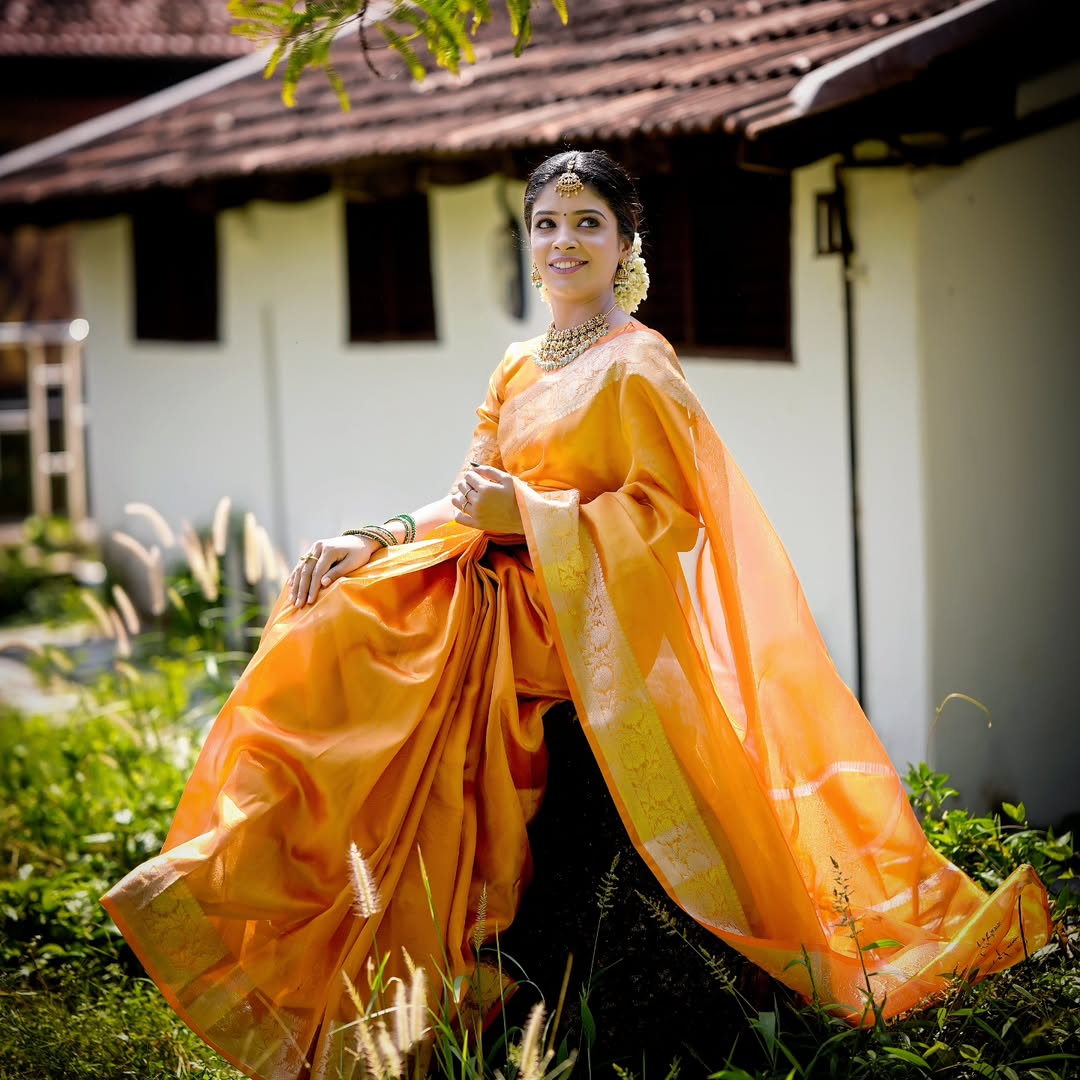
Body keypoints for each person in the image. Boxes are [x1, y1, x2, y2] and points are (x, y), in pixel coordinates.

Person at [102, 150, 1050, 1080]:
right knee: (334, 621)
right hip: (493, 577)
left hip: (574, 618)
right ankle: (234, 889)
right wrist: (379, 533)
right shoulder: (517, 364)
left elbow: (672, 521)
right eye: (546, 224)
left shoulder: (641, 367)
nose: (563, 241)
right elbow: (465, 491)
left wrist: (537, 521)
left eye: (587, 222)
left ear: (627, 241)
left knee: (386, 675)